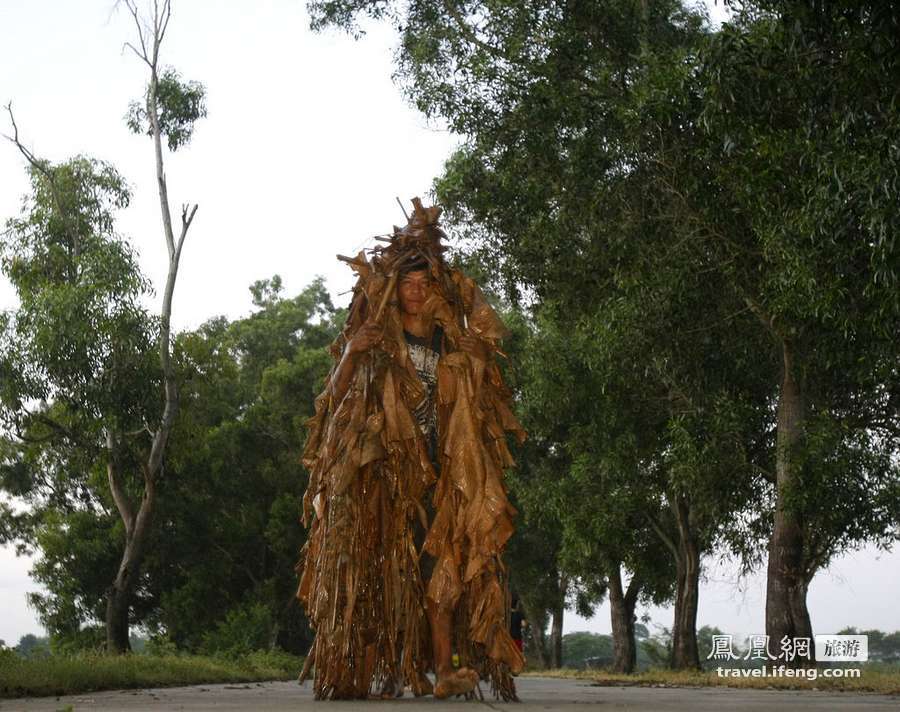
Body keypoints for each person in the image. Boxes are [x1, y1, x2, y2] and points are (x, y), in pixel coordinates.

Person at [295, 199, 524, 701]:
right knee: (384, 571)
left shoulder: (451, 342)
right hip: (387, 473)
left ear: (437, 289)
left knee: (443, 568)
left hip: (445, 472)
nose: (417, 294)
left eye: (425, 285)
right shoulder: (376, 337)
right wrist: (352, 355)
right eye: (408, 285)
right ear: (393, 290)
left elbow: (482, 398)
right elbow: (333, 397)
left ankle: (442, 669)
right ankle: (379, 667)